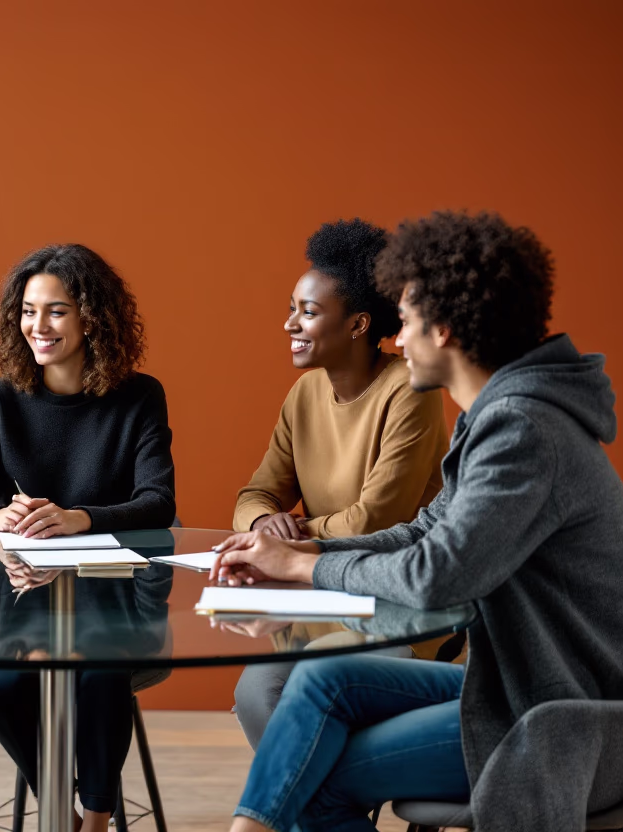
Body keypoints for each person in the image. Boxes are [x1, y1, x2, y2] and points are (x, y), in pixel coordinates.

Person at [211, 211, 623, 831]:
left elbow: (436, 576)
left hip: (557, 718)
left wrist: (304, 564)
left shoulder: (522, 431)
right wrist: (302, 565)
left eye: (408, 319)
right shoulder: (499, 419)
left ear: (442, 330)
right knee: (320, 685)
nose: (399, 335)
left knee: (311, 774)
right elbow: (422, 533)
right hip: (511, 689)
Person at [0, 244, 176, 832]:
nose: (38, 326)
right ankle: (60, 801)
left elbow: (159, 501)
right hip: (20, 593)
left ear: (91, 317)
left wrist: (79, 517)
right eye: (28, 311)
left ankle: (97, 818)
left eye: (55, 311)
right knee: (6, 682)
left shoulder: (139, 396)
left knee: (98, 669)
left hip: (114, 594)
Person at [231, 218, 448, 748]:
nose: (289, 324)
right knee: (255, 695)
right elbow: (253, 495)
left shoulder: (409, 391)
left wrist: (290, 533)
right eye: (292, 308)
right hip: (319, 600)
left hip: (399, 608)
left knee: (307, 696)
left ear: (356, 324)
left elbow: (379, 518)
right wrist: (264, 521)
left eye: (308, 312)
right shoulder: (304, 395)